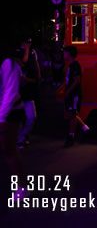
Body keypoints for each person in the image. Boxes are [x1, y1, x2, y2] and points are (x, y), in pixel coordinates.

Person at [1, 44, 28, 199]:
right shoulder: (9, 62)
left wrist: (2, 118)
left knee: (9, 150)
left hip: (9, 111)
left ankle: (23, 187)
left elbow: (10, 92)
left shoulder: (7, 63)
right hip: (7, 110)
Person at [62, 46, 90, 147]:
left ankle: (71, 136)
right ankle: (85, 129)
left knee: (72, 115)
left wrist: (68, 91)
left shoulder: (74, 65)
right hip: (72, 94)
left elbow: (76, 80)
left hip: (74, 94)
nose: (63, 55)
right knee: (70, 114)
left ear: (69, 53)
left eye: (65, 53)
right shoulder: (71, 65)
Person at [18, 38, 40, 149]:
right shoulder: (20, 52)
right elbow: (24, 61)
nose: (29, 44)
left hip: (29, 89)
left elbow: (35, 63)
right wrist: (26, 49)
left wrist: (39, 74)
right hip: (19, 91)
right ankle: (20, 139)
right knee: (19, 117)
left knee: (32, 117)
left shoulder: (33, 51)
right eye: (26, 42)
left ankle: (23, 135)